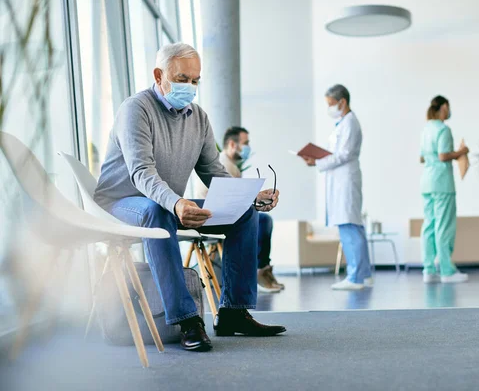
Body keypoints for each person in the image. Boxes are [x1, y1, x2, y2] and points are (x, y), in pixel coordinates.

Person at [94, 43, 286, 353]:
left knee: (246, 216)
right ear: (160, 75)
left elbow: (213, 172)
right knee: (156, 212)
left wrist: (248, 197)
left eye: (196, 80)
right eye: (183, 78)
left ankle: (233, 313)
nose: (190, 87)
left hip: (168, 203)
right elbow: (141, 172)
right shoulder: (135, 110)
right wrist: (176, 203)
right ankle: (186, 320)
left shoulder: (198, 118)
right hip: (121, 203)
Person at [301, 84, 372, 291]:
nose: (329, 108)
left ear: (342, 101)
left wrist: (317, 162)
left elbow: (344, 154)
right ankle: (363, 274)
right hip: (341, 179)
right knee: (352, 226)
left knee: (349, 227)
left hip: (346, 181)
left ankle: (355, 277)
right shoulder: (343, 123)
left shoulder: (350, 123)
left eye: (331, 104)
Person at [220, 126, 285, 293]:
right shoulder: (222, 165)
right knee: (262, 220)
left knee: (262, 218)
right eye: (246, 143)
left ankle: (262, 269)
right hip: (219, 215)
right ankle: (259, 271)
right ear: (233, 144)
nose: (249, 147)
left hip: (229, 213)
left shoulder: (231, 166)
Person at [419, 96, 469, 284]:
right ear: (444, 107)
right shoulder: (443, 129)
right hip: (442, 184)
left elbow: (422, 158)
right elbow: (443, 156)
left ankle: (429, 270)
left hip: (427, 183)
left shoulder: (425, 130)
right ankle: (447, 271)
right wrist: (461, 153)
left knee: (429, 226)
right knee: (444, 227)